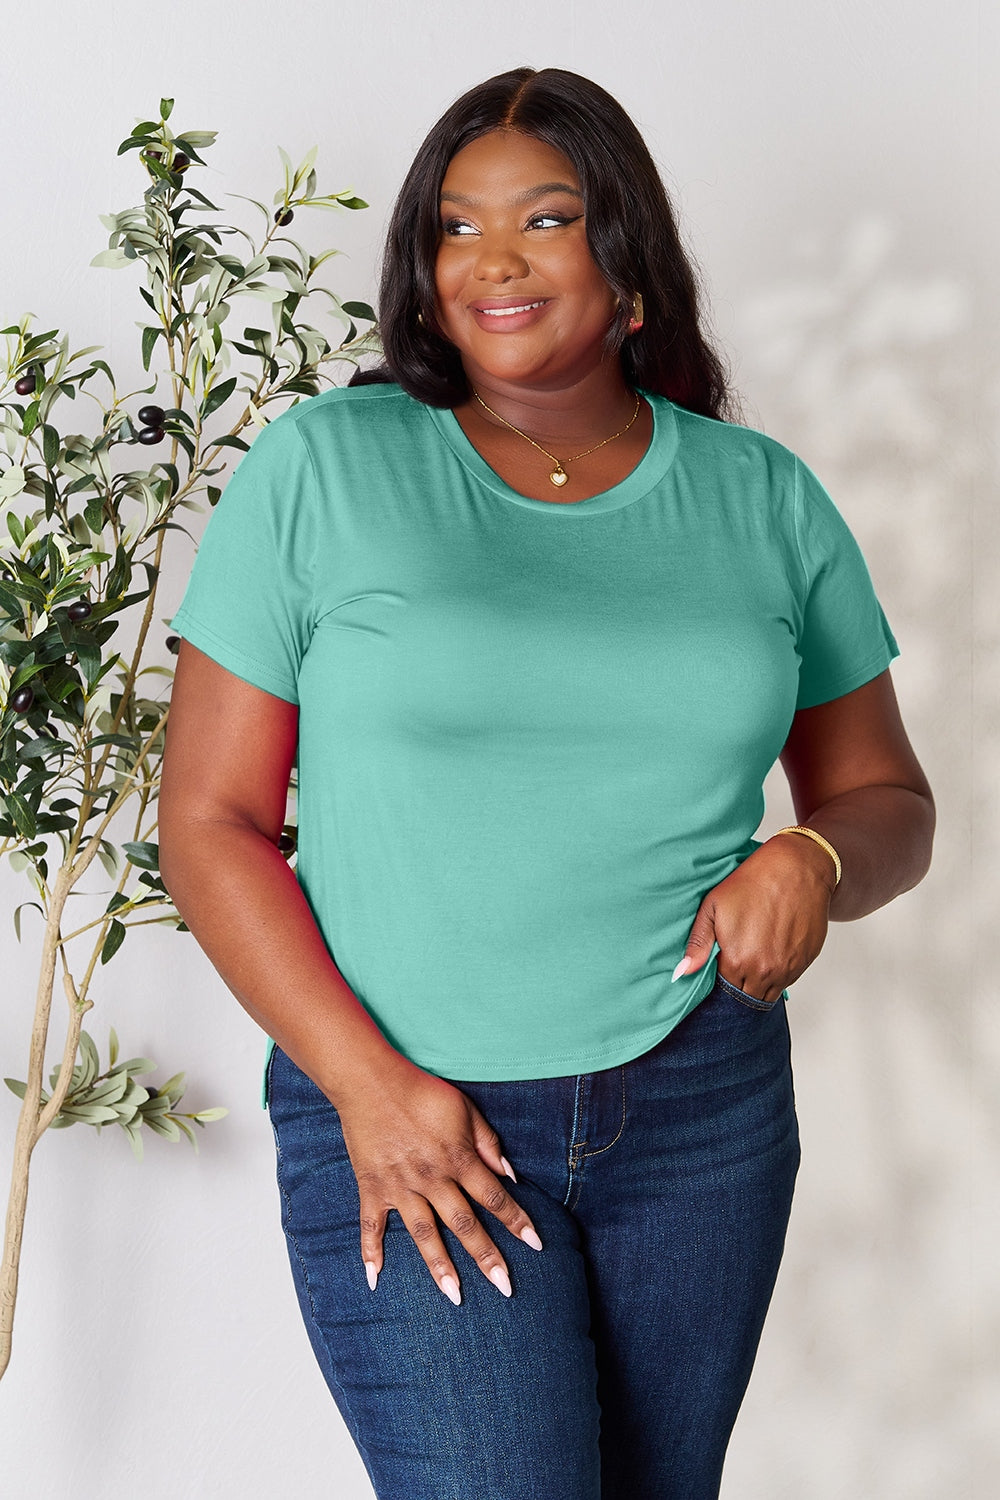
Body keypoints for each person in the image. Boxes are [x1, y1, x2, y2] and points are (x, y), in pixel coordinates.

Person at [159, 66, 935, 1500]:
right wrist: (368, 1089)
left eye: (547, 217)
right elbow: (207, 824)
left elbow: (888, 798)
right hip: (407, 1107)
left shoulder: (761, 499)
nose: (494, 260)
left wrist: (810, 863)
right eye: (457, 228)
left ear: (628, 258)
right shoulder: (328, 468)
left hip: (698, 1110)